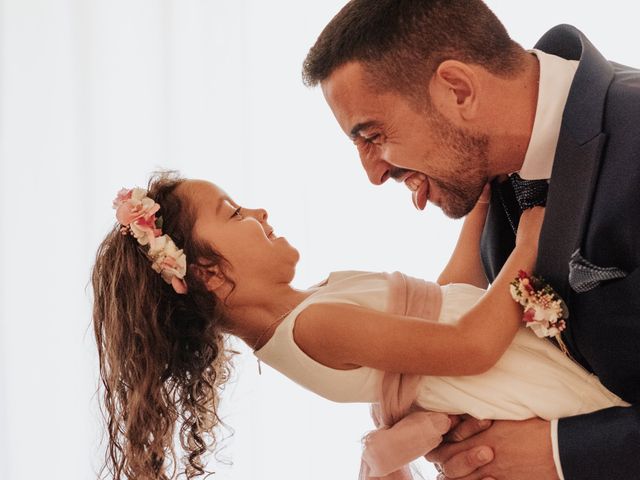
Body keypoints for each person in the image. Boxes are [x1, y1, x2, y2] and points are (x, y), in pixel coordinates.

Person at [92, 173, 628, 480]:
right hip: (526, 387)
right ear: (209, 274)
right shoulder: (314, 328)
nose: (258, 210)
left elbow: (447, 300)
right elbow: (471, 345)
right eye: (233, 213)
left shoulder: (313, 308)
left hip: (517, 369)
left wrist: (479, 207)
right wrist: (530, 239)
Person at [301, 1, 640, 479]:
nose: (373, 173)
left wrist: (560, 453)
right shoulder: (497, 177)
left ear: (457, 90)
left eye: (374, 136)